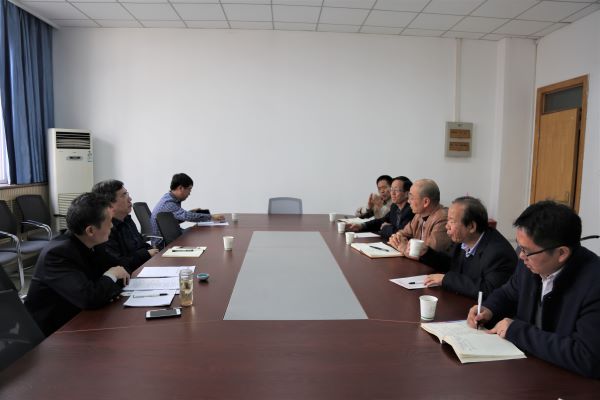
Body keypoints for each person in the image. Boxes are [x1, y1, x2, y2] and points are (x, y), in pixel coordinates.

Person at [467, 201, 600, 378]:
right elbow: (508, 293)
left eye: (526, 250)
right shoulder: (530, 263)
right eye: (519, 247)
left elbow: (587, 357)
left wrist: (517, 331)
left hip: (566, 381)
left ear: (561, 253)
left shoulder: (594, 284)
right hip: (527, 368)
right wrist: (489, 308)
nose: (521, 256)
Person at [25, 193, 130, 336]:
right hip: (54, 332)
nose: (112, 226)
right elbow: (89, 298)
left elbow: (121, 268)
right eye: (109, 221)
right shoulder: (57, 254)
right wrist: (111, 276)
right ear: (90, 230)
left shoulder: (93, 243)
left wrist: (109, 281)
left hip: (81, 317)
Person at [409, 196, 516, 299]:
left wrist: (446, 279)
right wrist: (426, 252)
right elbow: (448, 262)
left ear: (471, 227)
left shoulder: (498, 253)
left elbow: (488, 290)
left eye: (452, 221)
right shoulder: (463, 240)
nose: (447, 226)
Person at [92, 179, 159, 273]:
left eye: (127, 193)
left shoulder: (127, 219)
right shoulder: (105, 228)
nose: (130, 199)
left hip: (142, 269)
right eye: (124, 195)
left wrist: (153, 250)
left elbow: (140, 244)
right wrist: (146, 254)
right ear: (109, 203)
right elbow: (117, 264)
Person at [150, 173, 224, 239]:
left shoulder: (169, 197)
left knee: (199, 232)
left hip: (170, 235)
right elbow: (187, 216)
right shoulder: (168, 203)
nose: (189, 193)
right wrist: (211, 216)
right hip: (164, 243)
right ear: (180, 188)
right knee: (202, 234)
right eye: (189, 189)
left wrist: (191, 212)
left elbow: (176, 219)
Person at [388, 179, 451, 255]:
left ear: (425, 202)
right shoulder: (419, 215)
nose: (408, 201)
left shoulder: (443, 219)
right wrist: (396, 238)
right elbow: (403, 233)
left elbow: (428, 253)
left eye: (411, 198)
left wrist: (404, 248)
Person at [346, 176, 414, 241]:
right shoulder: (395, 206)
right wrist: (361, 226)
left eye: (396, 190)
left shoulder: (411, 210)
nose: (392, 193)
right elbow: (381, 221)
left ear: (407, 194)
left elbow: (401, 234)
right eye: (391, 189)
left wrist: (386, 228)